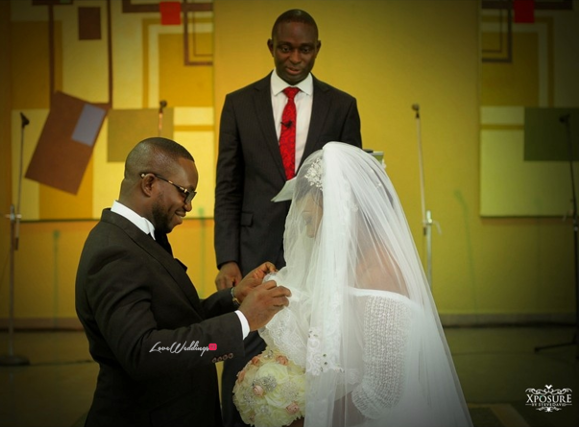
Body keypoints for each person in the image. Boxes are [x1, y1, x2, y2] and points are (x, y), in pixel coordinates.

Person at [75, 137, 291, 427]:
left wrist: (234, 297)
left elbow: (174, 320)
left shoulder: (142, 238)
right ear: (149, 183)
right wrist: (243, 321)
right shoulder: (114, 251)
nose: (188, 206)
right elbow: (145, 352)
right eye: (184, 193)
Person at [256, 142, 473, 426]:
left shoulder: (380, 277)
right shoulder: (355, 266)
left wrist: (312, 419)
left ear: (340, 211)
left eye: (309, 220)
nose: (308, 233)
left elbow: (383, 392)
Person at [214, 9, 362, 425]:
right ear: (271, 47)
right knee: (243, 351)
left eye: (305, 49)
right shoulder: (239, 104)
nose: (295, 58)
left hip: (318, 253)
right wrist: (227, 257)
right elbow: (228, 184)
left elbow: (348, 191)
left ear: (317, 50)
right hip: (251, 251)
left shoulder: (342, 106)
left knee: (310, 356)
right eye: (285, 48)